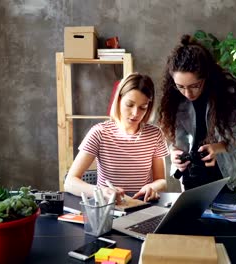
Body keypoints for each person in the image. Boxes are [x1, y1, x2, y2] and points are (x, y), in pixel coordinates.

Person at [64, 72, 169, 203]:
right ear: (119, 100)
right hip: (108, 208)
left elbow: (162, 181)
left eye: (143, 107)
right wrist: (101, 191)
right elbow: (69, 182)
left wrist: (152, 187)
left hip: (143, 206)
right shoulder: (99, 133)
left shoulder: (156, 135)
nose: (135, 113)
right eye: (129, 105)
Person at [159, 35, 236, 193]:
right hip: (191, 174)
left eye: (194, 86)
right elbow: (178, 140)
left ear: (206, 77)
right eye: (180, 86)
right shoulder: (175, 97)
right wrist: (174, 154)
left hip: (223, 173)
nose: (187, 93)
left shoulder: (228, 93)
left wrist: (216, 148)